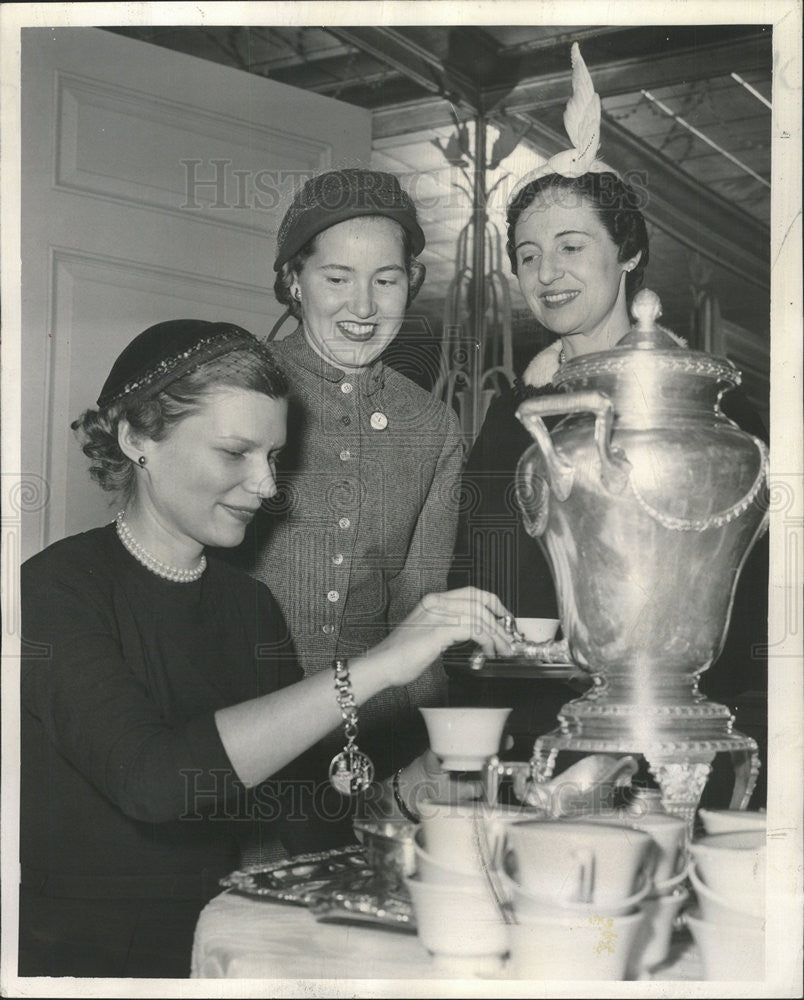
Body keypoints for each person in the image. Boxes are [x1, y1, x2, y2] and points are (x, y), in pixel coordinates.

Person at [19, 319, 514, 978]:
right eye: (235, 453)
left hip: (225, 943)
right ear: (137, 438)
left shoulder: (249, 607)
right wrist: (377, 667)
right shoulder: (54, 588)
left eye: (274, 456)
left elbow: (306, 816)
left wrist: (412, 809)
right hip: (83, 961)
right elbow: (152, 782)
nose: (269, 486)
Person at [447, 44, 769, 777]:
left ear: (626, 253)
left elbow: (754, 604)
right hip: (528, 738)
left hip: (673, 742)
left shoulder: (711, 411)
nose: (546, 274)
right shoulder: (510, 418)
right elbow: (475, 578)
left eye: (570, 246)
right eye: (527, 256)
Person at [235, 168, 464, 789]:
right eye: (337, 279)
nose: (362, 307)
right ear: (293, 281)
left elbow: (421, 609)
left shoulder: (434, 426)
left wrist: (432, 753)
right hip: (235, 729)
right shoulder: (235, 384)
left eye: (385, 280)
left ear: (410, 284)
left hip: (373, 745)